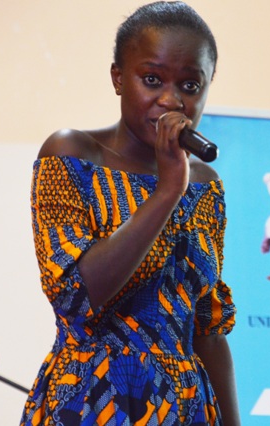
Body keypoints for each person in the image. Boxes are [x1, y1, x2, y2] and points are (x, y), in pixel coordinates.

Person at [20, 2, 240, 425]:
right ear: (118, 78)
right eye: (152, 79)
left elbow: (207, 330)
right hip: (92, 400)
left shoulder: (205, 185)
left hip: (186, 408)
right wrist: (168, 191)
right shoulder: (72, 154)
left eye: (190, 85)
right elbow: (75, 297)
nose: (171, 100)